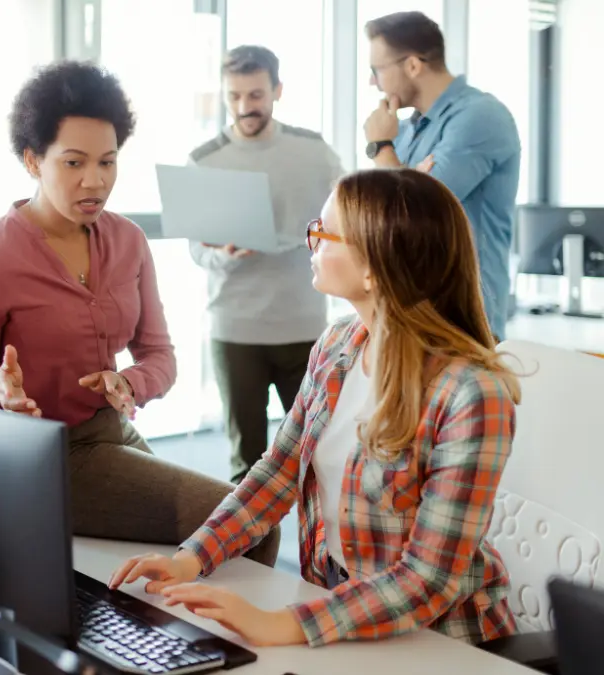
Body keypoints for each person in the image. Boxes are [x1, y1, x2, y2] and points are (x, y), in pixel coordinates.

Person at [109, 168, 521, 649]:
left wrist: (282, 623)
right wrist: (191, 558)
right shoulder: (338, 345)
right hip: (342, 618)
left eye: (324, 233)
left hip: (442, 642)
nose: (312, 242)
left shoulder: (471, 393)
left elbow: (428, 579)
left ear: (375, 266)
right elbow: (277, 472)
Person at [0, 60, 280, 565]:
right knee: (250, 526)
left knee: (228, 534)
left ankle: (198, 638)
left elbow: (160, 356)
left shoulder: (128, 241)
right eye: (73, 163)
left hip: (109, 430)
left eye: (107, 161)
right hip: (42, 455)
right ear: (33, 161)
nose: (94, 182)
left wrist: (131, 383)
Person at [189, 45, 345, 484]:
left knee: (320, 456)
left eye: (255, 95)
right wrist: (220, 256)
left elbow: (351, 213)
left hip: (304, 326)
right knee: (247, 467)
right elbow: (196, 251)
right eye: (234, 96)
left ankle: (319, 553)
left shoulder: (314, 151)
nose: (244, 107)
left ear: (277, 90)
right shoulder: (204, 161)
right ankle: (253, 555)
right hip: (236, 331)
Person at [362, 11, 520, 340]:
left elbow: (415, 213)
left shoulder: (480, 116)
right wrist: (398, 168)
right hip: (409, 311)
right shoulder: (404, 130)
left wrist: (380, 147)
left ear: (413, 66)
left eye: (377, 70)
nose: (372, 82)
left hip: (462, 320)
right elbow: (382, 214)